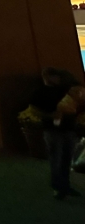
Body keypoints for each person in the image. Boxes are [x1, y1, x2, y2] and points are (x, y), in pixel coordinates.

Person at [28, 67, 81, 200]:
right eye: (55, 76)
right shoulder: (40, 92)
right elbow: (34, 110)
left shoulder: (64, 90)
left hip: (69, 129)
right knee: (56, 159)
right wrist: (50, 116)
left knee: (66, 159)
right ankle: (59, 187)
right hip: (53, 130)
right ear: (47, 77)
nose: (58, 79)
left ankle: (64, 186)